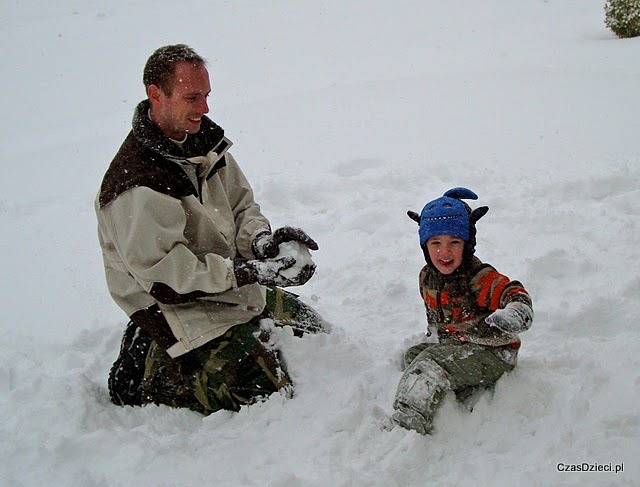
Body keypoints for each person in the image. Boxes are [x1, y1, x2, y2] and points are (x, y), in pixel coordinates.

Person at [95, 44, 327, 415]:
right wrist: (246, 271)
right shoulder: (136, 184)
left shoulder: (204, 144)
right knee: (263, 388)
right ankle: (146, 370)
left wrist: (263, 245)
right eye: (191, 97)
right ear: (156, 95)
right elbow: (168, 278)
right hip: (175, 309)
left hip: (226, 287)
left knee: (316, 333)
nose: (204, 108)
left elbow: (240, 206)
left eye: (206, 95)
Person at [391, 187, 533, 434]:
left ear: (467, 244)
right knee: (412, 356)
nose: (444, 253)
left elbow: (513, 293)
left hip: (492, 352)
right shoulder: (427, 276)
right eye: (435, 243)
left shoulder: (477, 277)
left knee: (428, 364)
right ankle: (458, 385)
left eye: (454, 243)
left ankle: (407, 426)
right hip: (460, 345)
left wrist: (516, 312)